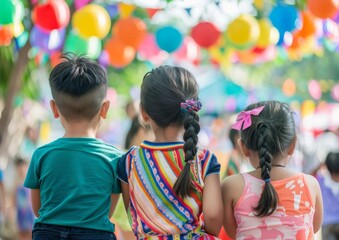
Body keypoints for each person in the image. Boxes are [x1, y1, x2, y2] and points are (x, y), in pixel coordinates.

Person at [117, 65, 223, 239]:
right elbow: (212, 217)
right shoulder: (204, 160)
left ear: (143, 113)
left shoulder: (129, 161)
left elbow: (133, 215)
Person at [24, 53, 121, 239]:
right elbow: (107, 213)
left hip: (47, 234)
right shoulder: (115, 158)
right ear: (105, 109)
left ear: (54, 108)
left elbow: (38, 209)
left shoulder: (41, 155)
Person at [222, 101, 323, 239]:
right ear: (293, 145)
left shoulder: (231, 186)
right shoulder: (310, 185)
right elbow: (313, 227)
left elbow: (232, 233)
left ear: (243, 147)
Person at [14, 157, 34, 240]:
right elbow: (14, 200)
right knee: (21, 235)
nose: (21, 170)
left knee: (30, 234)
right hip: (20, 213)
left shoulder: (30, 182)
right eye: (19, 168)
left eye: (22, 167)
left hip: (30, 213)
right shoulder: (16, 184)